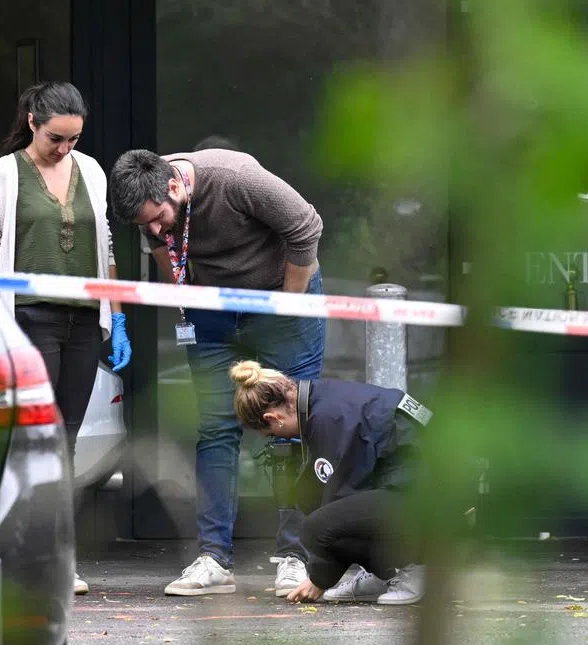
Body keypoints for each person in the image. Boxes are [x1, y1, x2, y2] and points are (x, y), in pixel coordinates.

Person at [109, 146, 325, 598]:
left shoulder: (235, 177)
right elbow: (161, 246)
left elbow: (306, 225)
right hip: (213, 311)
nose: (153, 228)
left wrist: (288, 304)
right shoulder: (151, 200)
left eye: (157, 217)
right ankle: (214, 558)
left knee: (291, 423)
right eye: (142, 225)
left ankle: (295, 555)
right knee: (215, 428)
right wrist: (187, 298)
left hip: (280, 298)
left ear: (174, 186)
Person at [0, 81, 132, 596]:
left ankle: (58, 557)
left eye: (74, 139)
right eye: (56, 138)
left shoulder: (93, 172)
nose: (65, 149)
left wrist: (117, 314)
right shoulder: (2, 174)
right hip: (27, 319)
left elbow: (103, 242)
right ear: (33, 121)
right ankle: (19, 554)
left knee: (65, 440)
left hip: (82, 322)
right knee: (27, 439)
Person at [228, 360, 427, 605]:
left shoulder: (327, 418)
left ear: (274, 417)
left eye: (271, 434)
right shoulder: (321, 398)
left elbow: (340, 501)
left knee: (316, 527)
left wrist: (319, 579)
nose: (275, 438)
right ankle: (383, 573)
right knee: (309, 495)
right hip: (413, 483)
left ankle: (414, 567)